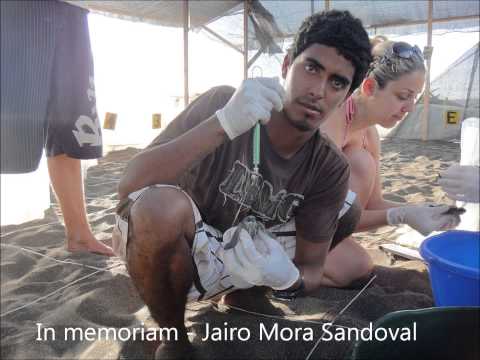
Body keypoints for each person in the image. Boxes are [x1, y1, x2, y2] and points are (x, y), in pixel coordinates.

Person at [114, 10, 372, 359]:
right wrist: (223, 124)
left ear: (347, 97)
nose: (318, 90)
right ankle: (174, 338)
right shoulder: (224, 103)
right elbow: (130, 185)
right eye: (311, 68)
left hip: (249, 258)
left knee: (349, 207)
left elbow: (312, 268)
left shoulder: (328, 166)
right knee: (157, 208)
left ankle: (249, 292)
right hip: (185, 253)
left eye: (337, 82)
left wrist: (286, 278)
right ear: (286, 65)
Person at [319, 39, 461, 250]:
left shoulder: (370, 134)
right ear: (369, 87)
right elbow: (315, 215)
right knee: (362, 162)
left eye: (415, 98)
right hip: (298, 226)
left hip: (326, 226)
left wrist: (421, 209)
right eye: (403, 96)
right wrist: (398, 216)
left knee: (357, 268)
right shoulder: (330, 124)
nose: (410, 108)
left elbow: (373, 204)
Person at [0, 1, 113, 256]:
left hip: (71, 9)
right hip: (17, 10)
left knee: (71, 125)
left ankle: (79, 234)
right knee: (8, 117)